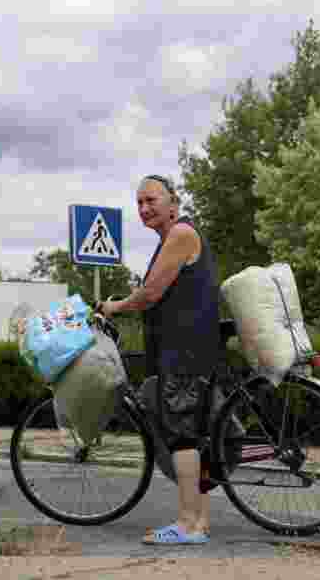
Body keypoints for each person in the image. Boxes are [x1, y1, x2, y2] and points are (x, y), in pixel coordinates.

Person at [100, 174, 223, 545]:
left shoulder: (181, 235)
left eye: (151, 200)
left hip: (184, 351)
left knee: (183, 436)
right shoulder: (173, 238)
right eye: (138, 203)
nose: (143, 208)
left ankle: (186, 525)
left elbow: (151, 293)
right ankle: (199, 522)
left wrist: (114, 307)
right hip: (189, 349)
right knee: (193, 438)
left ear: (174, 202)